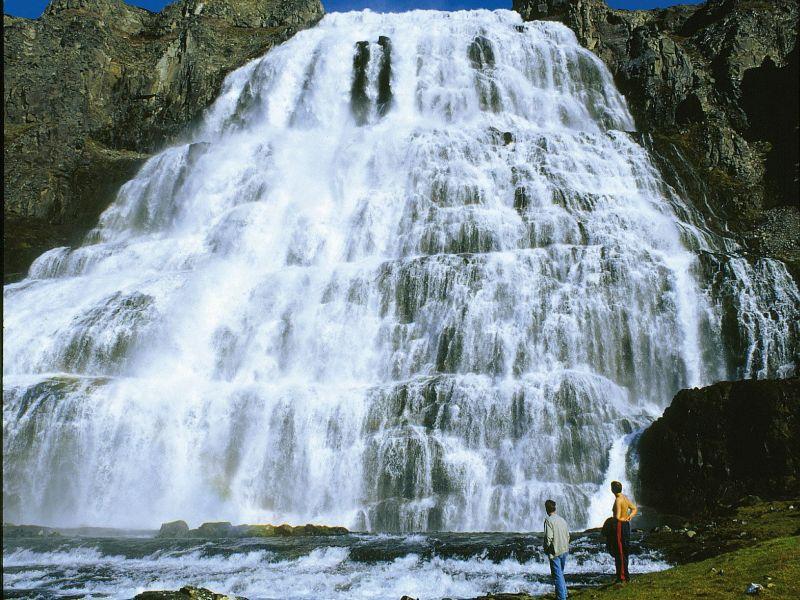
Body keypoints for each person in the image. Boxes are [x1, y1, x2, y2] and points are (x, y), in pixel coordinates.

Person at [610, 480, 637, 583]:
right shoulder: (625, 498)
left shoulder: (618, 500)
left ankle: (621, 577)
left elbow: (617, 517)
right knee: (625, 551)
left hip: (619, 526)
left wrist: (620, 520)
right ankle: (626, 575)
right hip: (626, 525)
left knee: (620, 551)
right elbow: (634, 508)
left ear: (612, 489)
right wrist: (629, 517)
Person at [543, 499, 570, 600]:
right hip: (564, 549)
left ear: (546, 509)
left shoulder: (548, 520)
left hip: (555, 551)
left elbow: (548, 538)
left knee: (557, 577)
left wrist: (546, 549)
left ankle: (561, 598)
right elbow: (568, 536)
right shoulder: (562, 520)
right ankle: (565, 593)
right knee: (560, 574)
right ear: (555, 508)